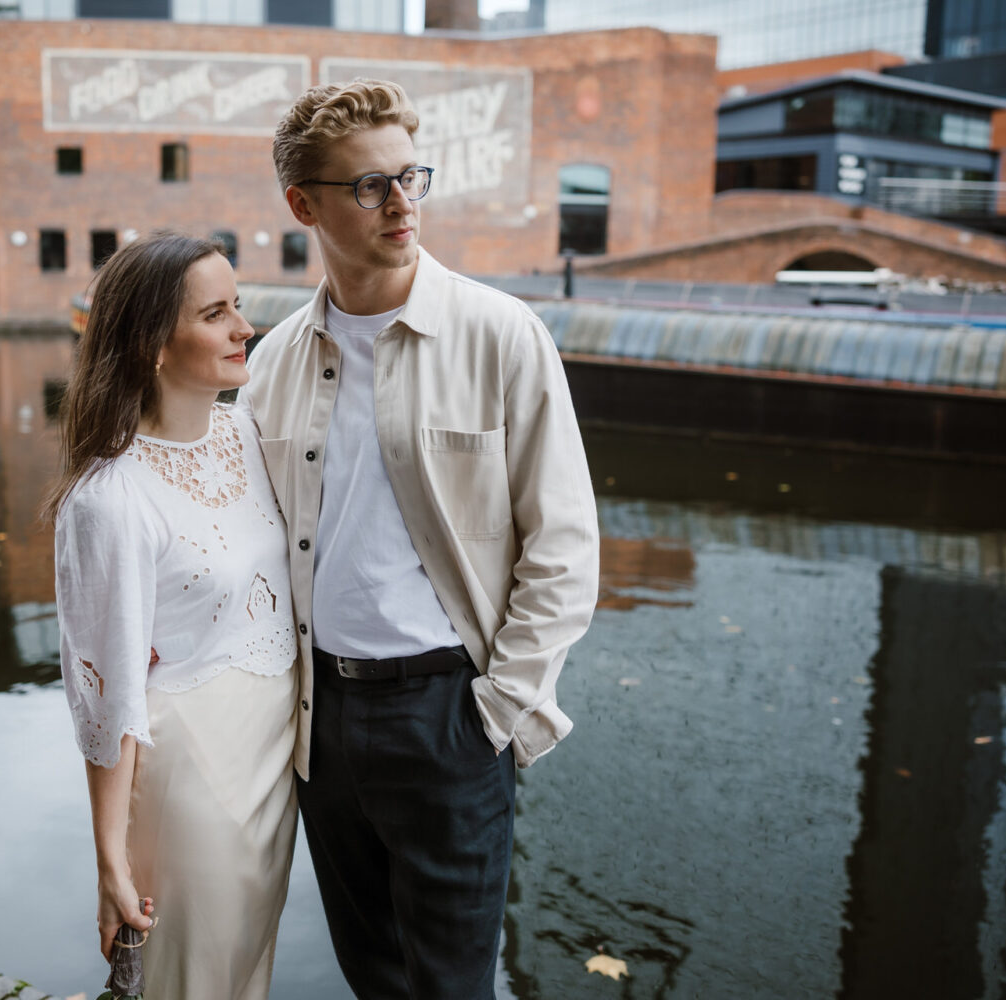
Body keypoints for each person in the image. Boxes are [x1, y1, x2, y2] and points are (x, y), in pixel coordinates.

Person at [240, 80, 601, 998]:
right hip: (320, 721)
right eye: (370, 187)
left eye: (411, 177)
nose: (402, 204)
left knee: (451, 988)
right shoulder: (274, 362)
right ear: (302, 205)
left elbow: (563, 549)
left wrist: (497, 712)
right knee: (376, 979)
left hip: (449, 716)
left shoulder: (500, 335)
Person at [48, 232, 298, 1000]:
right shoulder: (109, 500)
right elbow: (107, 701)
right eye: (216, 314)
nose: (244, 328)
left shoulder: (251, 433)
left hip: (277, 759)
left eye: (240, 305)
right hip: (194, 775)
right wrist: (110, 861)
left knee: (247, 972)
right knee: (193, 981)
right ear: (154, 345)